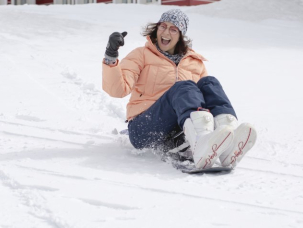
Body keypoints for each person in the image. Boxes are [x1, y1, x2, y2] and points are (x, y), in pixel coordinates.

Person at [101, 9, 257, 170]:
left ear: (181, 35)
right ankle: (200, 142)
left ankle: (227, 142)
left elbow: (205, 102)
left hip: (178, 131)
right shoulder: (141, 55)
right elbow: (117, 90)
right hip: (144, 128)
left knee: (210, 83)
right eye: (163, 26)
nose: (166, 32)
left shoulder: (195, 63)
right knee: (184, 86)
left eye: (173, 29)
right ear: (156, 29)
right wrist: (111, 55)